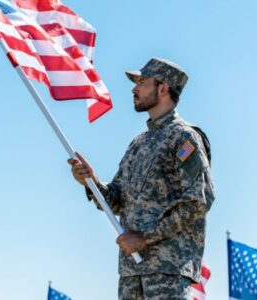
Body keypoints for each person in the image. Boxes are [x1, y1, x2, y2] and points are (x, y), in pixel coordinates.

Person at [67, 58, 215, 299]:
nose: (134, 89)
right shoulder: (138, 143)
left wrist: (145, 239)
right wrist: (91, 182)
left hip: (168, 271)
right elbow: (116, 200)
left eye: (142, 82)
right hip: (131, 272)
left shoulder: (183, 138)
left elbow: (199, 200)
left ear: (163, 88)